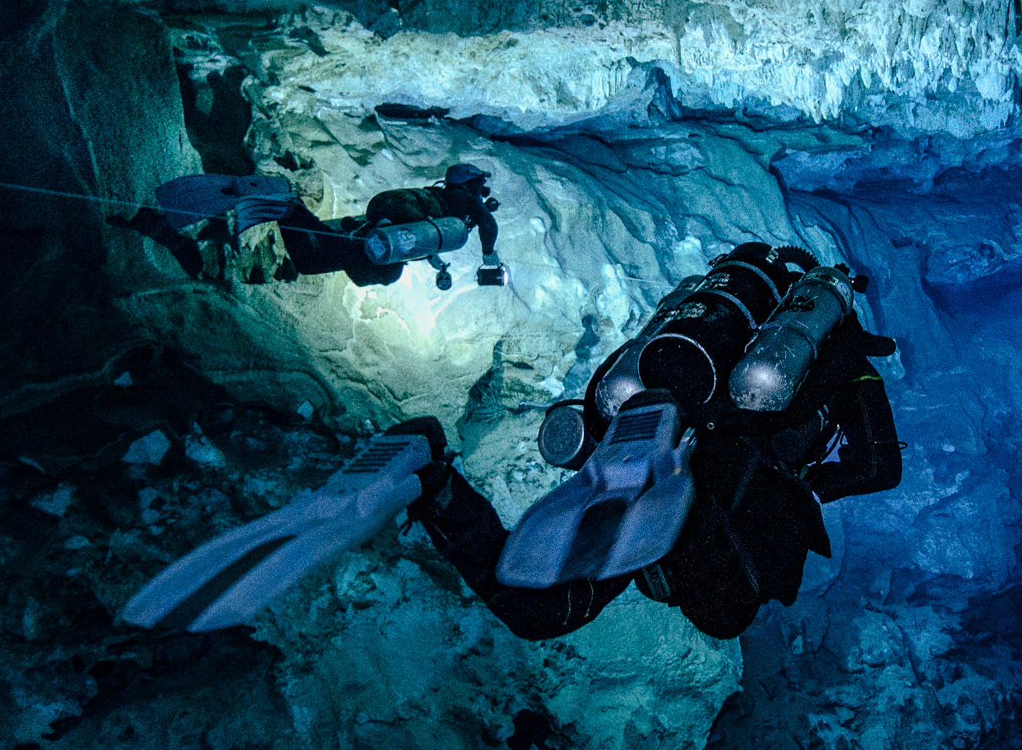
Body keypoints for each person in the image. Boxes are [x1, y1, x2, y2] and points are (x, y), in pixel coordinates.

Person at [394, 245, 901, 639]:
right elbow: (880, 468)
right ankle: (436, 488)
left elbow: (627, 374)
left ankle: (432, 481)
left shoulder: (706, 330)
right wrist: (811, 480)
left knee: (544, 608)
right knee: (723, 616)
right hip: (720, 489)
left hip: (657, 444)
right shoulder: (843, 362)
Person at [263, 163, 508, 289]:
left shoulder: (440, 196)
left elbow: (426, 232)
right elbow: (488, 223)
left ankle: (287, 215)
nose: (481, 189)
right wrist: (489, 253)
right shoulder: (465, 198)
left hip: (387, 215)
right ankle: (291, 209)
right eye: (478, 182)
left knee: (308, 264)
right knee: (378, 269)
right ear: (468, 180)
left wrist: (436, 261)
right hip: (395, 226)